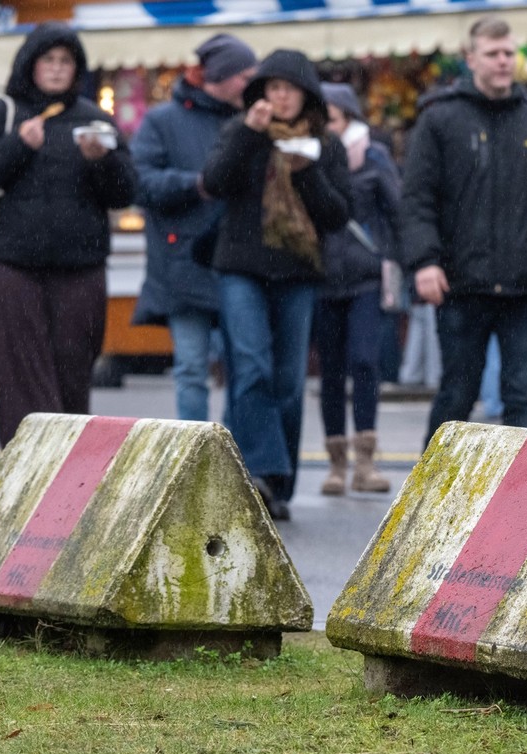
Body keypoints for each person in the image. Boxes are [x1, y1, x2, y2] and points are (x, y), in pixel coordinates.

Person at [400, 15, 527, 448]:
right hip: (462, 281)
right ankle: (430, 498)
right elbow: (417, 198)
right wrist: (424, 261)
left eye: (508, 53)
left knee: (522, 400)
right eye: (493, 54)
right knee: (457, 396)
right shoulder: (440, 119)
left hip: (526, 284)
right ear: (471, 58)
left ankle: (526, 508)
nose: (503, 62)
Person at [0, 23, 137, 446]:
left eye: (66, 61)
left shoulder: (95, 120)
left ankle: (68, 478)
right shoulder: (0, 115)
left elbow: (126, 193)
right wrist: (17, 147)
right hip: (11, 268)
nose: (58, 70)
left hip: (80, 269)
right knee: (16, 378)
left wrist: (102, 161)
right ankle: (27, 468)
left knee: (73, 374)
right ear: (30, 65)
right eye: (49, 60)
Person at [202, 49, 350, 521]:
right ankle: (259, 472)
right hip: (241, 267)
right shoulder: (241, 132)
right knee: (250, 366)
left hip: (298, 271)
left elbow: (337, 216)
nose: (280, 96)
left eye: (289, 88)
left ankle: (277, 487)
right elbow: (215, 182)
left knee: (287, 379)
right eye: (272, 88)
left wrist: (307, 176)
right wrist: (249, 132)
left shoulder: (325, 147)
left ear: (306, 95)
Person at [131, 33, 257, 422]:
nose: (252, 85)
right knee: (191, 370)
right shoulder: (161, 121)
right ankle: (194, 458)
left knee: (246, 371)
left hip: (240, 261)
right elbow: (140, 184)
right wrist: (196, 184)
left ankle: (238, 462)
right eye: (245, 76)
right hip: (182, 262)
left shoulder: (249, 121)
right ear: (221, 76)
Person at [315, 82, 397, 495]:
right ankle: (336, 464)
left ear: (348, 116)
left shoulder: (373, 156)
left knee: (365, 362)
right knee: (330, 372)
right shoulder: (308, 156)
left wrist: (393, 256)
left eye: (330, 117)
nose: (325, 127)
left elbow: (395, 209)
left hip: (364, 277)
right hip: (322, 278)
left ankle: (365, 459)